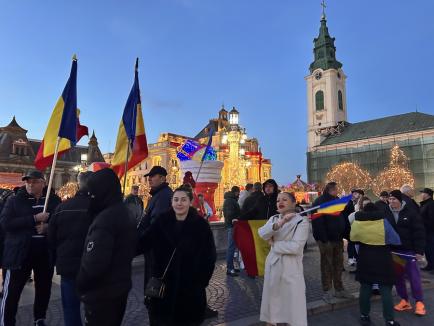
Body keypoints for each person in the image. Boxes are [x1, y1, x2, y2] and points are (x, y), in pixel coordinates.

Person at [140, 185, 216, 326]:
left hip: (190, 291)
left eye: (183, 200)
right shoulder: (162, 222)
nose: (179, 203)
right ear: (171, 202)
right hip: (163, 289)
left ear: (190, 202)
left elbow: (209, 257)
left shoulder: (200, 226)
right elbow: (144, 242)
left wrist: (200, 282)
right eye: (176, 200)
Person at [76, 168, 137, 326]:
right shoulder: (124, 212)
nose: (90, 195)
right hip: (119, 287)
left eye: (93, 191)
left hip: (101, 293)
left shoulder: (105, 219)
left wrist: (81, 284)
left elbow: (94, 264)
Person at [0, 170, 61, 326]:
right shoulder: (15, 201)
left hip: (44, 253)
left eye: (34, 181)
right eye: (28, 181)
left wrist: (48, 227)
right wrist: (34, 219)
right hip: (19, 252)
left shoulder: (54, 200)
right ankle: (7, 321)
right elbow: (6, 223)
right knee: (12, 291)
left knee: (43, 289)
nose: (30, 184)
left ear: (43, 183)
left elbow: (60, 223)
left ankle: (39, 318)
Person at [48, 171, 93, 326]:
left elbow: (51, 238)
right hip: (92, 265)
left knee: (70, 308)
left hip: (67, 266)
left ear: (78, 184)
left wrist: (56, 258)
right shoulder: (99, 208)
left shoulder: (62, 207)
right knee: (94, 308)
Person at [258, 192, 309, 326]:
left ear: (293, 203)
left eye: (285, 200)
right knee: (272, 307)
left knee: (292, 308)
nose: (280, 202)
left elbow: (296, 247)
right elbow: (262, 233)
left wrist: (275, 244)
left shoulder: (301, 221)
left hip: (291, 268)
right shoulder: (274, 219)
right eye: (278, 200)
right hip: (273, 266)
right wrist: (280, 223)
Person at [351, 201, 401, 326]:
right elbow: (396, 240)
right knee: (385, 289)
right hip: (382, 258)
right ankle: (389, 320)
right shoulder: (383, 221)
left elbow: (353, 238)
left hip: (365, 257)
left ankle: (364, 316)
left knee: (365, 287)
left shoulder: (357, 222)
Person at [384, 190, 426, 316]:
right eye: (390, 199)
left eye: (394, 199)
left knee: (414, 277)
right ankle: (404, 300)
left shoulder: (411, 212)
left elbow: (419, 232)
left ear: (400, 200)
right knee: (398, 277)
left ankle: (419, 302)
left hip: (409, 251)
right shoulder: (385, 213)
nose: (391, 202)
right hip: (394, 252)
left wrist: (419, 251)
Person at [311, 182, 353, 304]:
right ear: (330, 189)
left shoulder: (337, 200)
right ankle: (327, 290)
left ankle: (339, 289)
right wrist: (324, 238)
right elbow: (317, 222)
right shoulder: (320, 201)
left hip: (338, 238)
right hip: (326, 240)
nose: (337, 191)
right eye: (335, 189)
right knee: (326, 265)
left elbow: (343, 217)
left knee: (338, 264)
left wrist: (345, 234)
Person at [138, 166, 173, 290]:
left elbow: (157, 224)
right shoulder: (158, 194)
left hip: (156, 249)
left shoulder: (163, 196)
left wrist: (141, 240)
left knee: (154, 282)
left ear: (162, 178)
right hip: (154, 248)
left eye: (153, 176)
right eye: (149, 177)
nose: (149, 179)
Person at [223, 186, 241, 276]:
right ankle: (230, 269)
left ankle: (232, 267)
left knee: (233, 247)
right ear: (236, 192)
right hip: (232, 226)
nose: (239, 194)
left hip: (232, 225)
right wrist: (236, 219)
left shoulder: (230, 200)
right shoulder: (230, 201)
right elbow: (230, 213)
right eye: (238, 192)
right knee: (231, 248)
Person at [420, 188, 434, 272]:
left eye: (423, 193)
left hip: (430, 232)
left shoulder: (431, 204)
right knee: (428, 250)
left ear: (427, 194)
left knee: (431, 249)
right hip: (425, 231)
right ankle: (430, 265)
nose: (421, 195)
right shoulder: (425, 204)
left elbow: (431, 219)